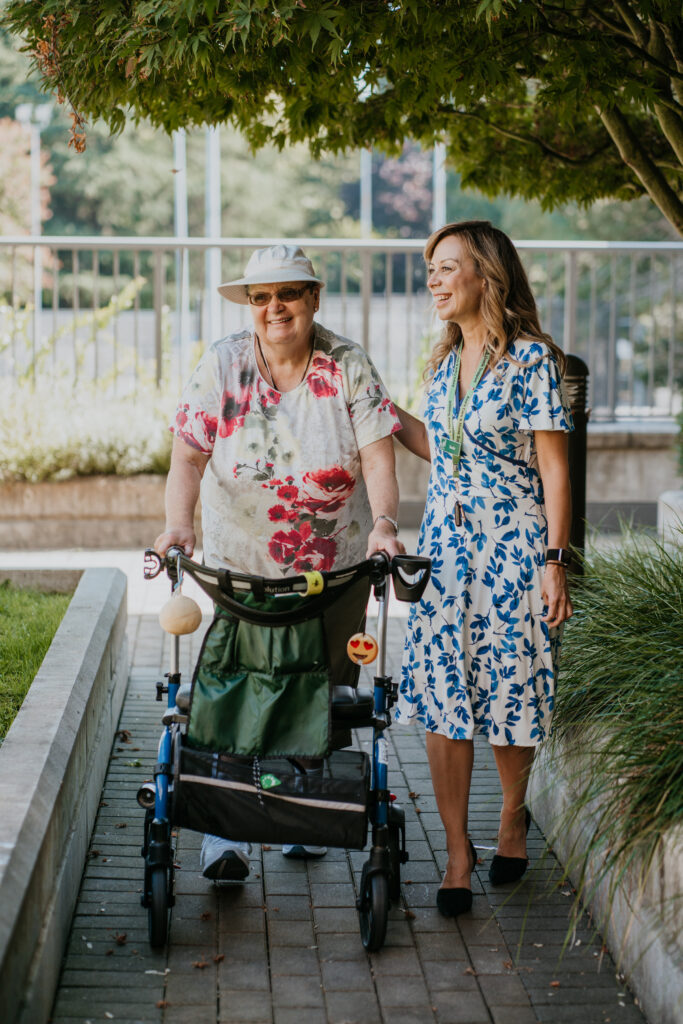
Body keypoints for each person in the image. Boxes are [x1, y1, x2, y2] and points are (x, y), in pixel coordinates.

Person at [155, 243, 404, 880]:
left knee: (319, 689)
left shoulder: (347, 363)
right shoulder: (223, 363)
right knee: (237, 688)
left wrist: (382, 523)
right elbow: (187, 456)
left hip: (336, 570)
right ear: (250, 306)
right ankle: (222, 831)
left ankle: (307, 811)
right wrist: (178, 526)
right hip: (243, 572)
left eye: (288, 293)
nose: (275, 308)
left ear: (313, 298)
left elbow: (378, 454)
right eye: (261, 297)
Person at [393, 220, 573, 917]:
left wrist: (554, 560)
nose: (433, 280)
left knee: (507, 690)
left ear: (486, 275)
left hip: (513, 549)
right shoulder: (441, 364)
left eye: (446, 267)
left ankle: (509, 818)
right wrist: (373, 403)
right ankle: (456, 852)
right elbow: (439, 448)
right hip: (444, 553)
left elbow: (554, 469)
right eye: (430, 270)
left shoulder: (531, 362)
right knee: (443, 699)